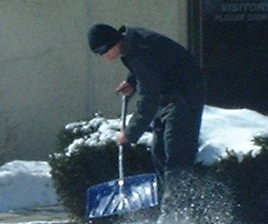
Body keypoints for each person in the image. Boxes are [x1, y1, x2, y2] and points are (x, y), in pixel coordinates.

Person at [88, 23, 205, 199]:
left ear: (111, 43)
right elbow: (153, 67)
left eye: (103, 51)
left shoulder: (140, 50)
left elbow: (149, 98)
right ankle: (169, 202)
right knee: (158, 150)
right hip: (167, 95)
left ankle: (178, 210)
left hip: (185, 94)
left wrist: (130, 133)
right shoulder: (133, 45)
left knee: (176, 149)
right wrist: (132, 81)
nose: (104, 56)